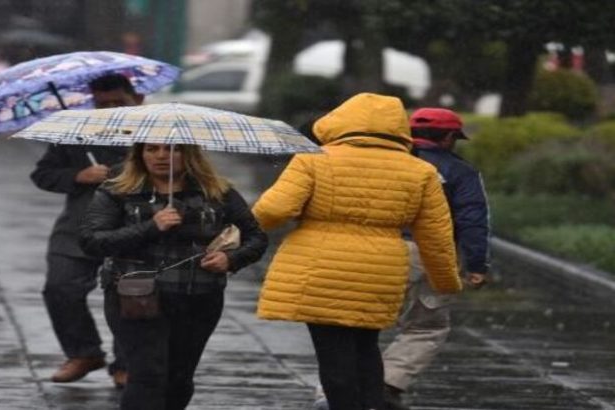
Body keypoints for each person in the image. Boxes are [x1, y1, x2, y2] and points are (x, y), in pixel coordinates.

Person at [252, 93, 463, 410]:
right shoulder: (419, 171)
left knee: (332, 353)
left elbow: (272, 211)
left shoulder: (314, 159)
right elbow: (436, 235)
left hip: (319, 268)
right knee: (366, 346)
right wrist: (446, 281)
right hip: (381, 269)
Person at [79, 143, 268, 410]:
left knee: (179, 377)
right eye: (152, 149)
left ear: (189, 154)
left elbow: (256, 237)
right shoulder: (118, 190)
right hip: (136, 296)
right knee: (148, 374)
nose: (161, 156)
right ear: (139, 154)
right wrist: (152, 226)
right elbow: (92, 241)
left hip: (198, 296)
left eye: (172, 149)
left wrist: (231, 259)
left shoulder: (217, 191)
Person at [30, 74, 144, 385]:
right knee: (60, 287)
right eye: (101, 103)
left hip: (134, 228)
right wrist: (79, 175)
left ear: (138, 100)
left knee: (131, 294)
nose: (108, 109)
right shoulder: (75, 132)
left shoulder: (155, 134)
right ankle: (83, 352)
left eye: (117, 102)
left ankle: (127, 363)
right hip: (79, 227)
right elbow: (43, 174)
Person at [379, 108, 490, 410]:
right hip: (431, 253)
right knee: (426, 325)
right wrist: (477, 265)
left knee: (355, 327)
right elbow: (472, 220)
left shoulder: (387, 162)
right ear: (450, 137)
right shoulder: (461, 171)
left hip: (377, 249)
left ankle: (334, 393)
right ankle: (389, 383)